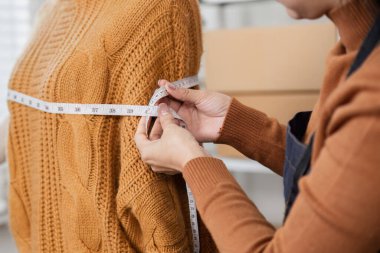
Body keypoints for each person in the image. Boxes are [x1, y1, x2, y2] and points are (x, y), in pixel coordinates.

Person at [135, 0, 380, 252]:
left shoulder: (372, 97)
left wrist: (192, 162)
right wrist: (235, 124)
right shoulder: (355, 52)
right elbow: (335, 169)